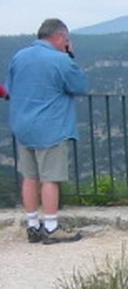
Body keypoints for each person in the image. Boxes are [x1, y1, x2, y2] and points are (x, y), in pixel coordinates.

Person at [7, 18, 88, 244]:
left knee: (30, 177)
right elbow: (80, 86)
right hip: (50, 127)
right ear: (60, 37)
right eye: (67, 40)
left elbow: (10, 88)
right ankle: (51, 227)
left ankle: (32, 225)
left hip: (23, 126)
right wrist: (70, 55)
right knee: (51, 178)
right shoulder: (60, 60)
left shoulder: (20, 56)